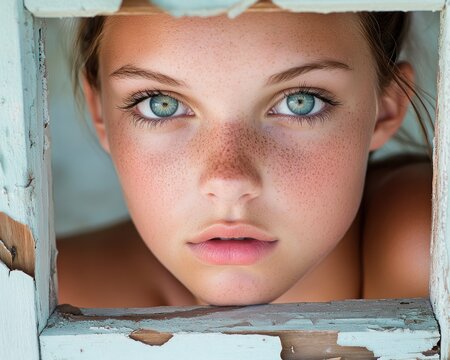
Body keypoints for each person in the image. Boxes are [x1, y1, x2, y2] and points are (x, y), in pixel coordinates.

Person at [56, 10, 432, 307]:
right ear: (101, 112)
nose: (228, 181)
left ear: (383, 110)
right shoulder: (33, 301)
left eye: (300, 102)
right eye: (161, 105)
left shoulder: (428, 249)